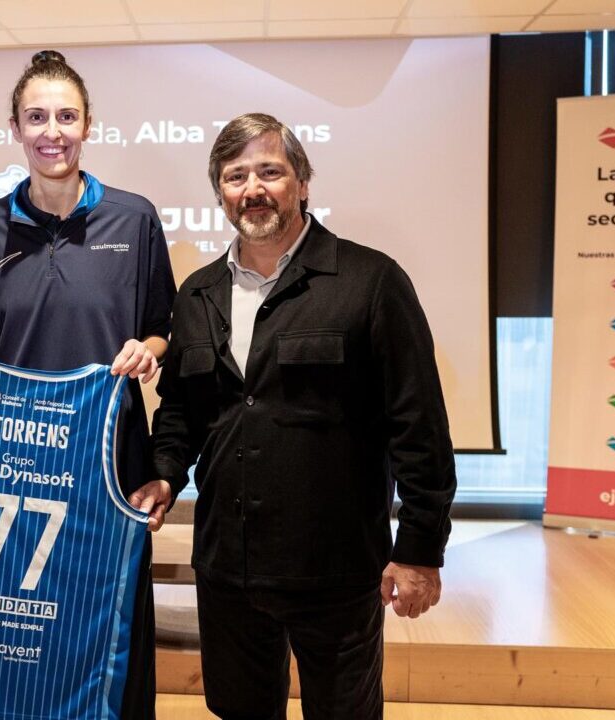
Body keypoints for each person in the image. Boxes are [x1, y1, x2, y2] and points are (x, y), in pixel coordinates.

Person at [151, 113, 457, 720]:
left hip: (336, 571)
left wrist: (420, 549)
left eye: (270, 171)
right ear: (220, 192)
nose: (252, 189)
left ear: (303, 183)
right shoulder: (197, 294)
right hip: (228, 568)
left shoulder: (370, 281)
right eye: (235, 176)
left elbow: (419, 426)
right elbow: (182, 412)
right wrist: (163, 472)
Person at [0, 50, 177, 720]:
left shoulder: (135, 218)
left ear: (88, 124)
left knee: (112, 640)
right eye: (36, 117)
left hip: (108, 461)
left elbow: (161, 328)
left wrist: (146, 352)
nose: (52, 131)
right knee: (23, 640)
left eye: (66, 116)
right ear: (15, 127)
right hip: (17, 465)